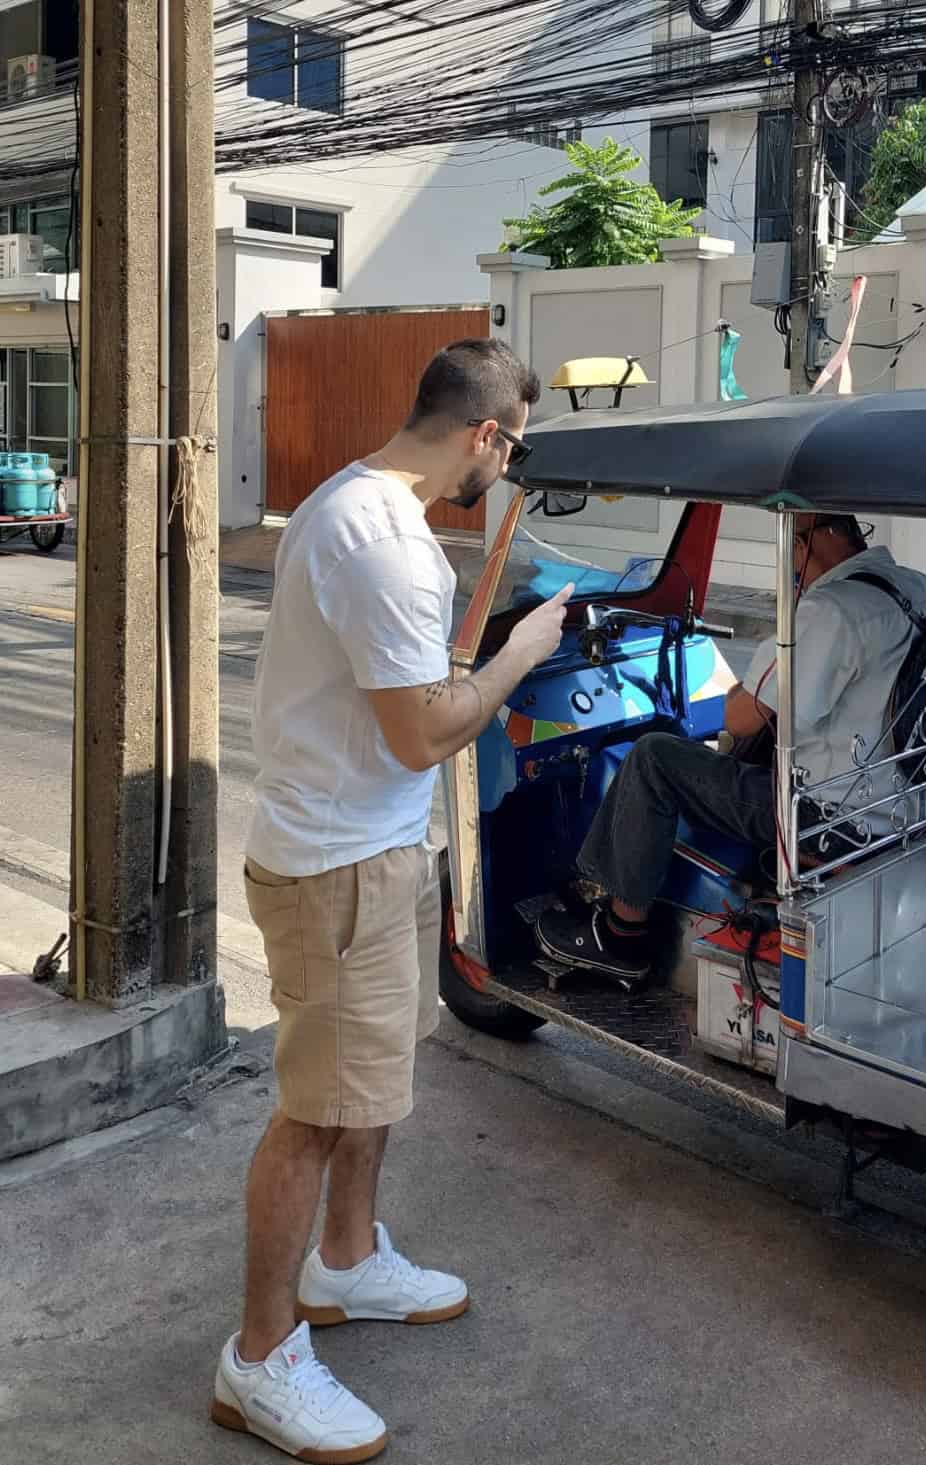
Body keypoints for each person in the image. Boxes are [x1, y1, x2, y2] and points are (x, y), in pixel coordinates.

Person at [213, 339, 572, 1464]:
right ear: (483, 435)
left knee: (369, 1084)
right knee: (317, 1109)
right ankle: (259, 1356)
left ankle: (349, 1260)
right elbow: (424, 727)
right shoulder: (385, 543)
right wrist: (519, 653)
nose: (500, 475)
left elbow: (401, 701)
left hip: (376, 845)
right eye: (507, 451)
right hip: (337, 869)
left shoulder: (352, 505)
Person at [534, 513, 926, 989]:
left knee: (653, 758)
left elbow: (740, 716)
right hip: (909, 807)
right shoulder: (920, 590)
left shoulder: (832, 609)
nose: (792, 563)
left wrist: (781, 628)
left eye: (795, 545)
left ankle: (619, 935)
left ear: (813, 541)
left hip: (828, 820)